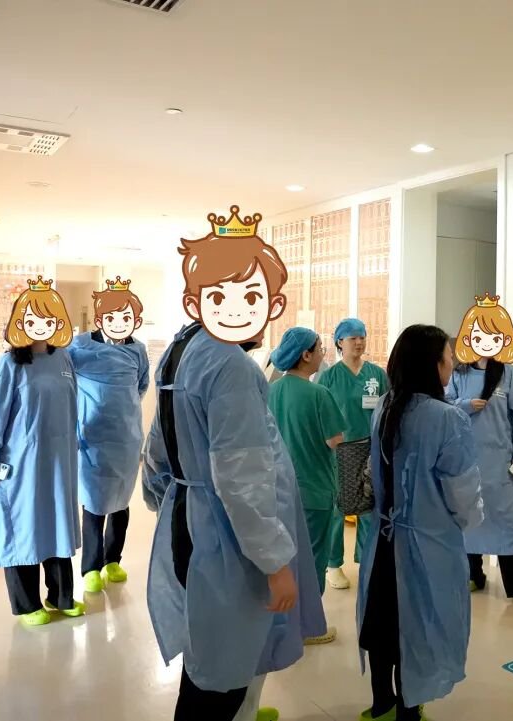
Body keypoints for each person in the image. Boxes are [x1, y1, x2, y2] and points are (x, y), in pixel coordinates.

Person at [142, 206, 317, 721]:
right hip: (225, 537)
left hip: (191, 518)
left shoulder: (183, 349)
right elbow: (241, 480)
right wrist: (275, 563)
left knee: (210, 653)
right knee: (222, 674)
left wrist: (168, 497)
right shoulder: (230, 365)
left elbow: (157, 444)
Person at [357, 324, 483, 721]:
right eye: (448, 357)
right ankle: (409, 711)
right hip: (426, 546)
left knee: (382, 623)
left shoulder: (385, 406)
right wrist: (470, 522)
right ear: (433, 365)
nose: (452, 364)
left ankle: (382, 704)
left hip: (383, 540)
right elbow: (462, 493)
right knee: (418, 628)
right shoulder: (447, 419)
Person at [0, 276, 85, 626]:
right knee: (23, 525)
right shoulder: (10, 365)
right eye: (33, 319)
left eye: (49, 319)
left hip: (59, 461)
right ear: (19, 323)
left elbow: (72, 408)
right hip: (20, 463)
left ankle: (61, 595)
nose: (41, 326)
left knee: (57, 523)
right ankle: (26, 604)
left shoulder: (63, 359)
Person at [446, 293, 513, 611]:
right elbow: (443, 407)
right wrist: (464, 405)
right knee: (468, 520)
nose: (486, 342)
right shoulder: (458, 373)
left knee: (508, 525)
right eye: (479, 335)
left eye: (493, 336)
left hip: (501, 467)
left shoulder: (508, 374)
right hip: (466, 463)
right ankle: (472, 574)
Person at [68, 277, 150, 594]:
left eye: (126, 317)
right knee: (94, 501)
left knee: (120, 500)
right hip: (91, 435)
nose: (118, 322)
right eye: (112, 317)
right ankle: (90, 566)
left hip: (126, 436)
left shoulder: (138, 350)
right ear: (100, 318)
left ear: (135, 320)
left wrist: (122, 408)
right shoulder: (80, 346)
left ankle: (113, 559)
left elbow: (141, 385)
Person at [267, 326, 344, 644]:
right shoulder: (318, 395)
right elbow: (335, 440)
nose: (323, 354)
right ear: (306, 355)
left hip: (277, 491)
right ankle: (307, 626)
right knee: (312, 561)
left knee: (284, 558)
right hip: (314, 491)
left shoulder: (270, 392)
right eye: (320, 348)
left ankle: (283, 623)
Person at [316, 317, 389, 591]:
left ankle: (367, 561)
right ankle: (333, 564)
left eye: (362, 337)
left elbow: (387, 408)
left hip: (370, 448)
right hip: (341, 450)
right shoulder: (329, 377)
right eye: (353, 338)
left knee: (370, 507)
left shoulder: (376, 375)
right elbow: (320, 414)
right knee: (339, 508)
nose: (359, 342)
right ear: (340, 342)